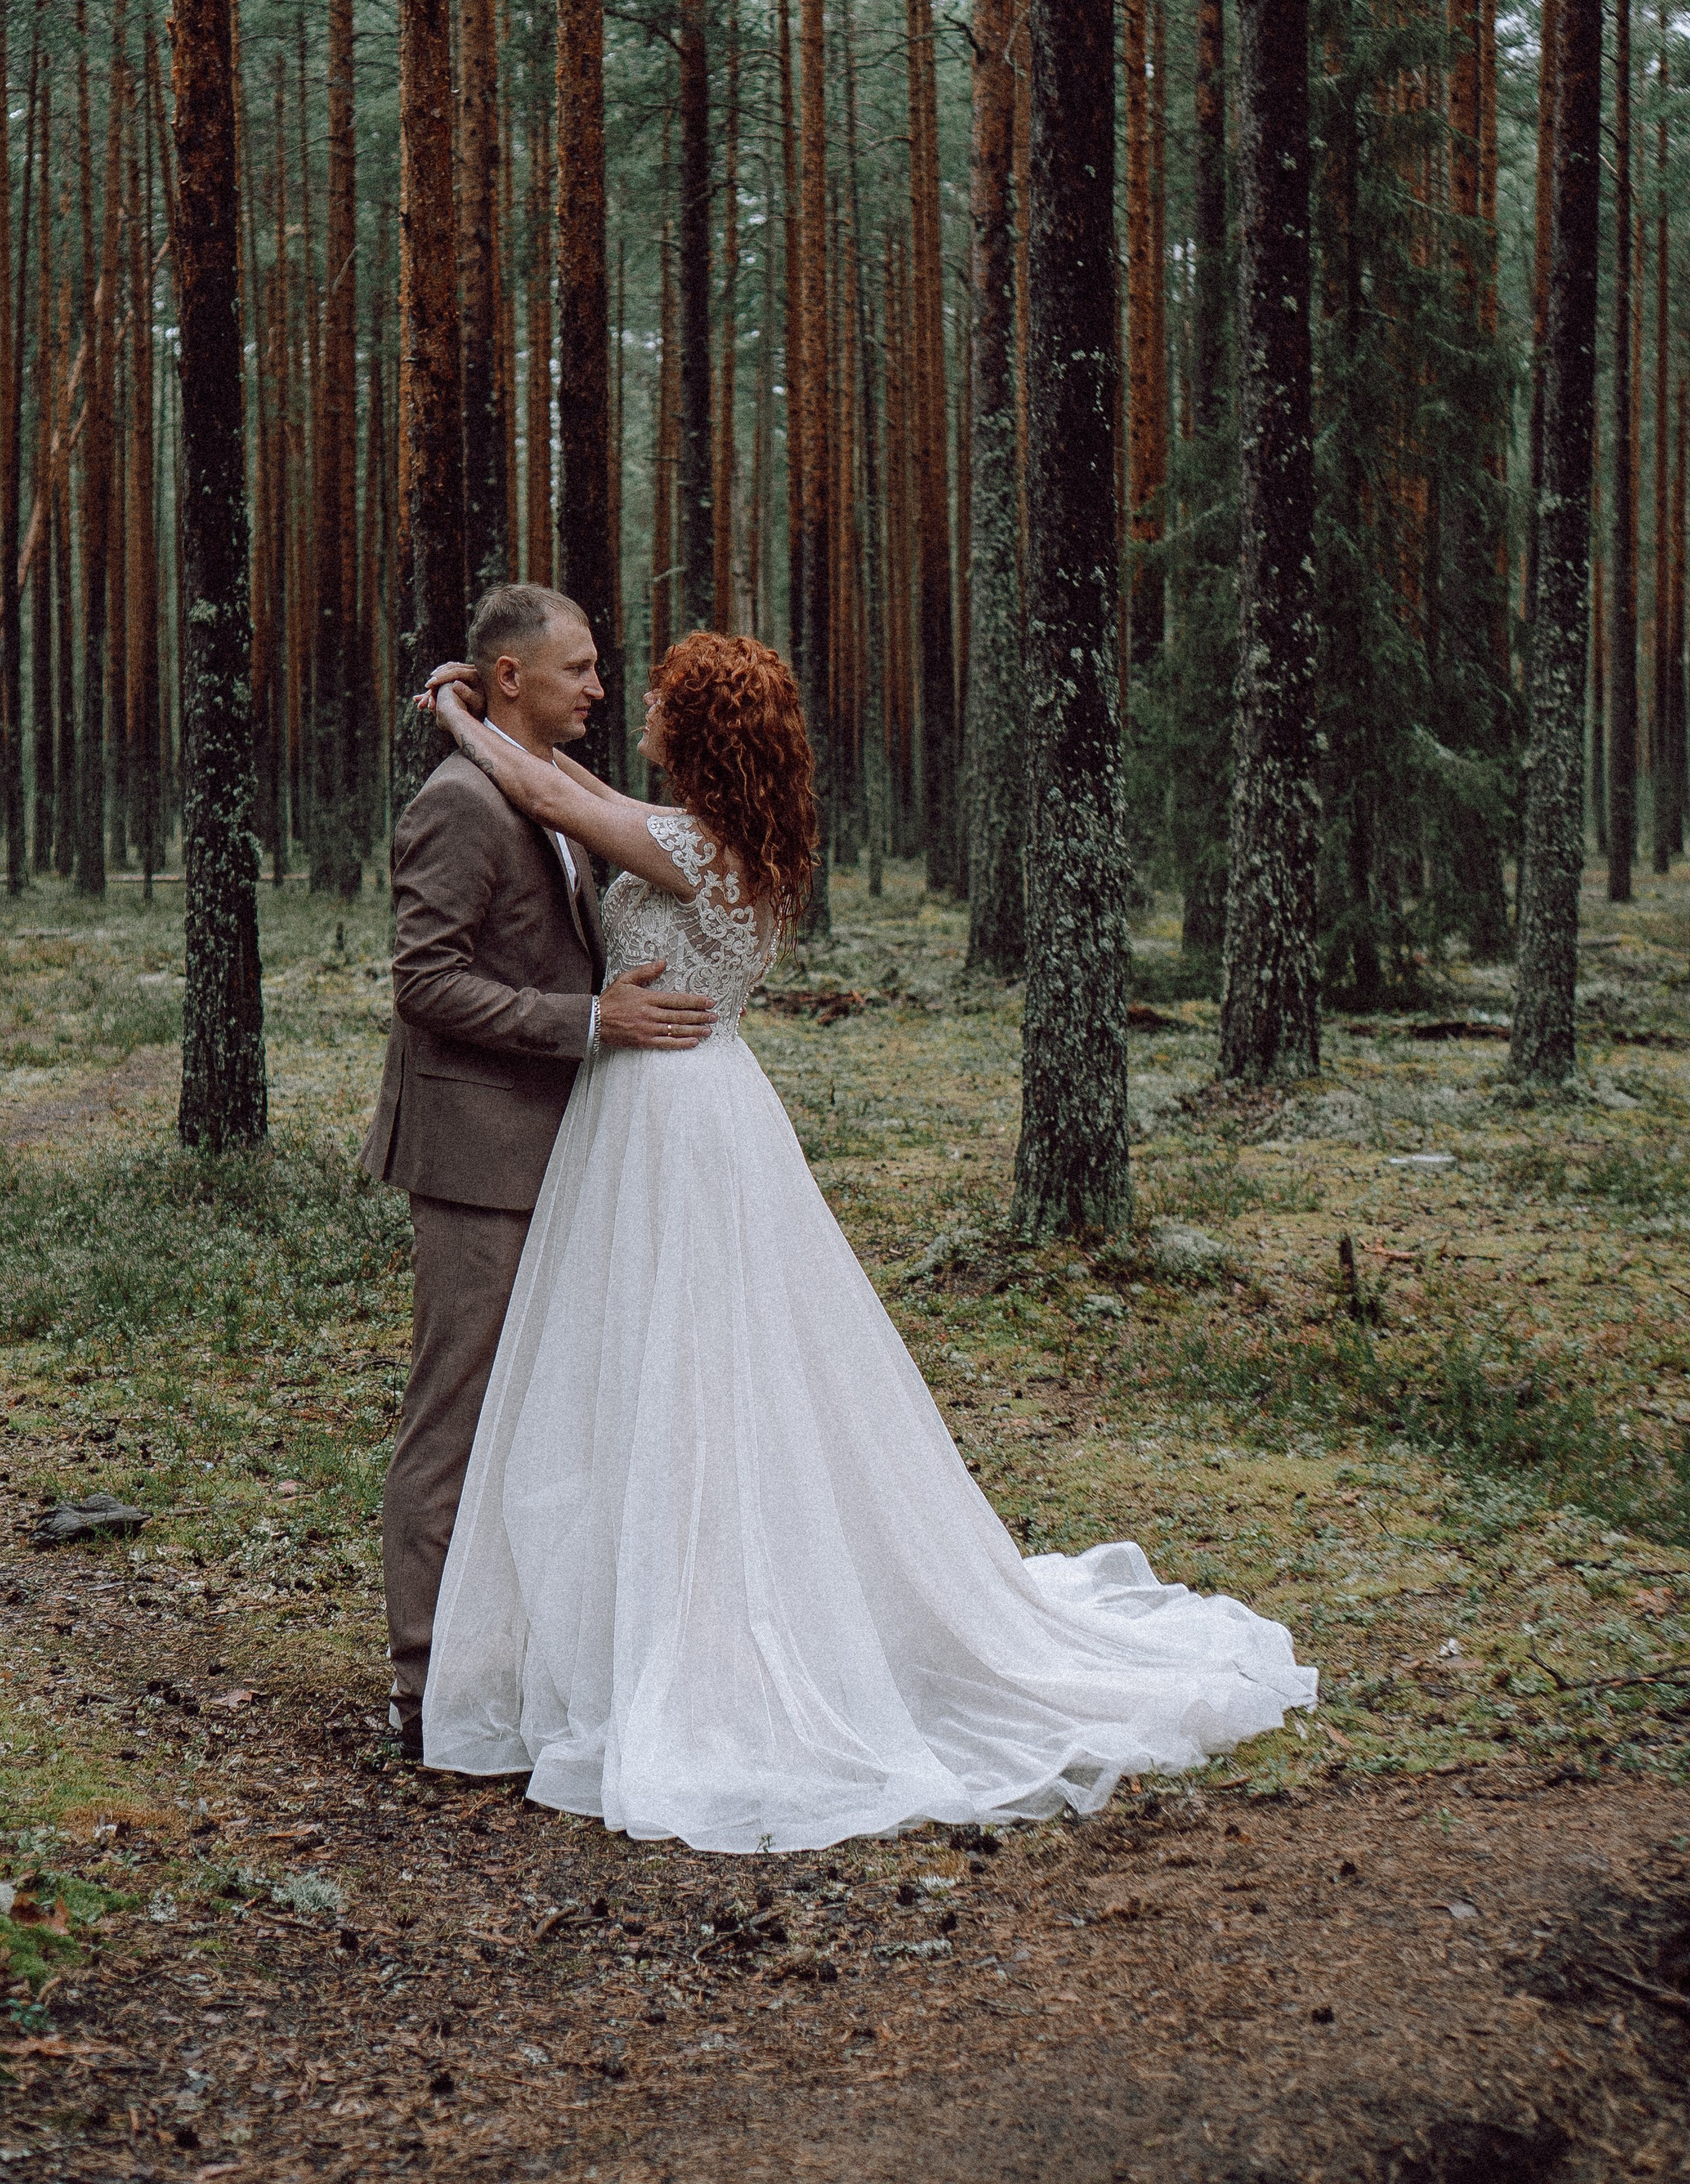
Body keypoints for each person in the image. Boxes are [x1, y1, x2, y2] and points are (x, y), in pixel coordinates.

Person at [417, 629, 1316, 1851]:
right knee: (689, 1369)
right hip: (690, 1106)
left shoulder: (693, 851)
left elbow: (544, 790)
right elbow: (578, 794)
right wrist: (499, 734)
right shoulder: (729, 843)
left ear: (703, 739)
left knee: (683, 1370)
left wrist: (459, 719)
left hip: (670, 1117)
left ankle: (695, 1628)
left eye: (665, 708)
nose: (636, 717)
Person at [360, 583, 714, 1760]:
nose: (598, 689)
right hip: (475, 1158)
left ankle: (500, 1663)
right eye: (578, 670)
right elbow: (425, 982)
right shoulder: (460, 804)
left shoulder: (542, 790)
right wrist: (586, 1021)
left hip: (558, 1152)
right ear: (508, 676)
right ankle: (423, 1686)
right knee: (455, 1416)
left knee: (536, 1418)